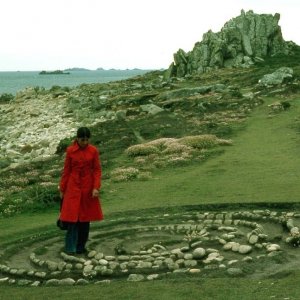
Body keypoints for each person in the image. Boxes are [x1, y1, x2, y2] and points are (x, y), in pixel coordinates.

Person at [59, 127, 104, 254]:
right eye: (82, 140)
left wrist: (96, 187)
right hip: (72, 187)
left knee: (85, 218)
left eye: (87, 140)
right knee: (72, 218)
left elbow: (97, 170)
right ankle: (70, 248)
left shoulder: (93, 150)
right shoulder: (70, 151)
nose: (84, 142)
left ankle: (81, 247)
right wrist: (62, 188)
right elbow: (66, 171)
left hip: (87, 187)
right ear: (77, 138)